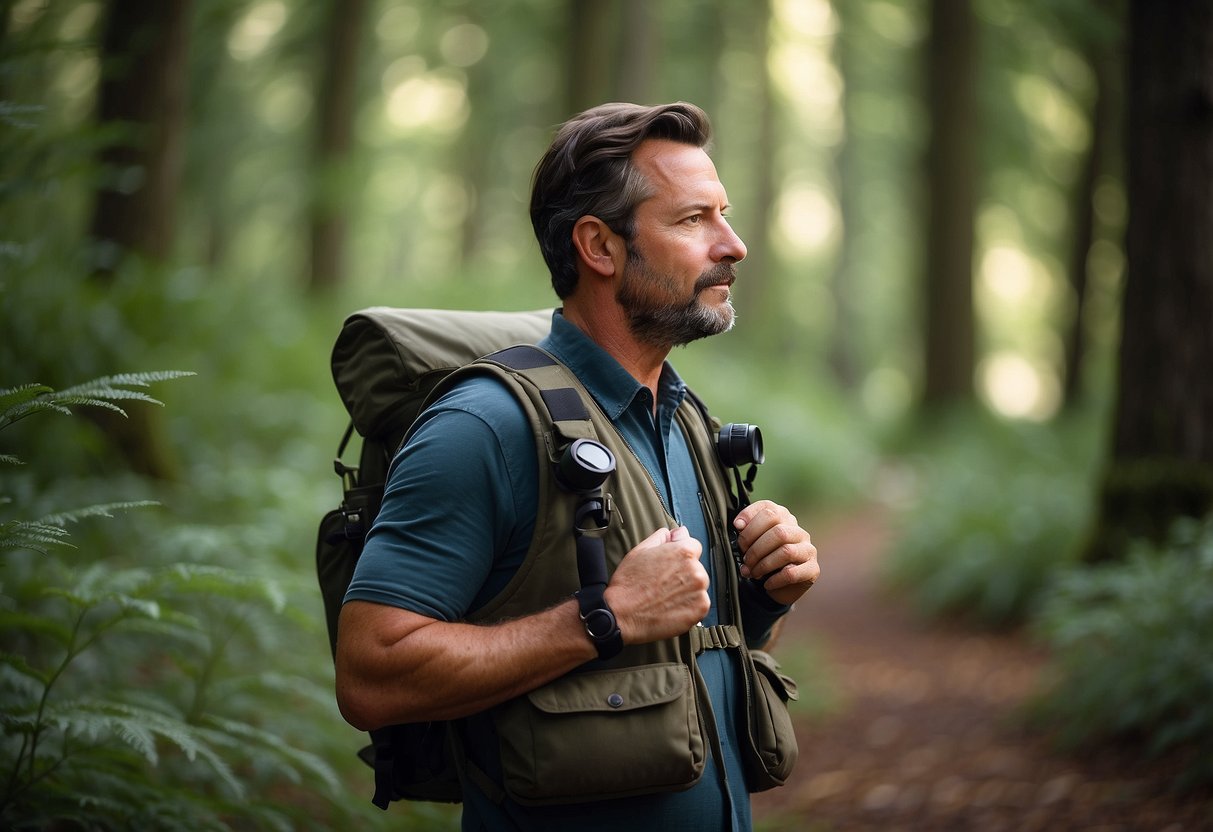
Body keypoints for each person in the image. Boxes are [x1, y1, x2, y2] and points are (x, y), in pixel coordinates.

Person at [335, 101, 820, 832]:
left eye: (724, 214)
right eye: (693, 220)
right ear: (599, 246)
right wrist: (604, 617)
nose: (734, 244)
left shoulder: (683, 419)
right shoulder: (485, 428)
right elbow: (371, 674)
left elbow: (690, 647)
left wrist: (760, 596)